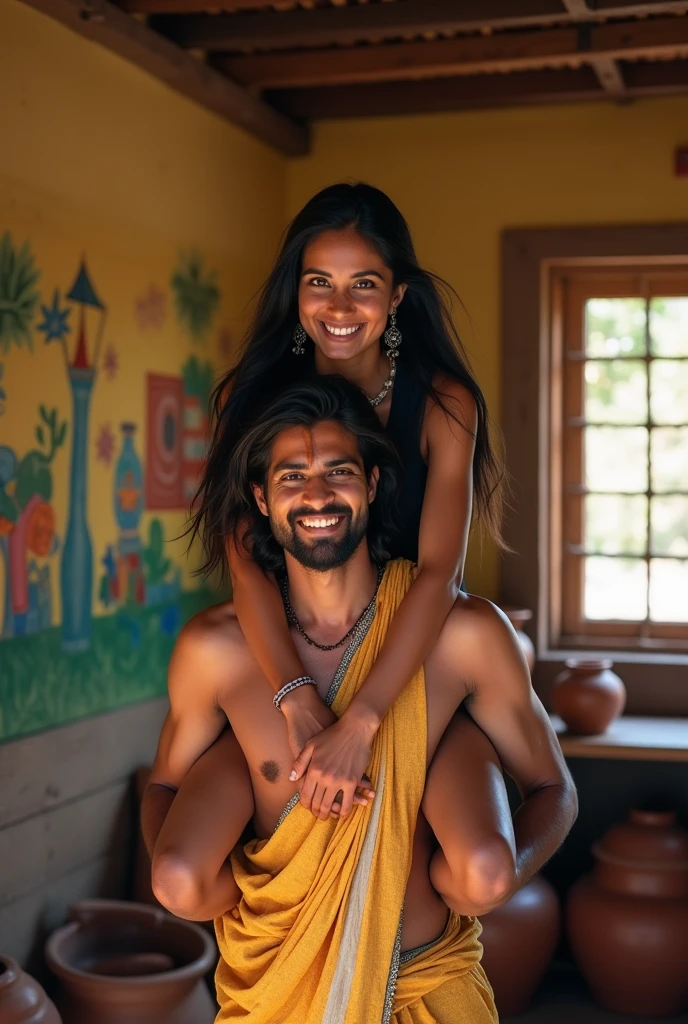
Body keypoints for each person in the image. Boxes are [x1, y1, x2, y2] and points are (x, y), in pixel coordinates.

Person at [143, 378, 578, 1023]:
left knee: (484, 866)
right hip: (278, 988)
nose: (316, 495)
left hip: (425, 988)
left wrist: (495, 881)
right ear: (261, 499)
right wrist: (207, 897)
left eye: (338, 472)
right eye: (292, 477)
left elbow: (556, 790)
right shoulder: (217, 651)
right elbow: (163, 790)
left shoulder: (465, 636)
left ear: (372, 485)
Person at [189, 181, 507, 823]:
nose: (339, 305)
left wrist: (362, 718)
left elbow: (441, 574)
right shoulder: (246, 402)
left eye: (363, 284)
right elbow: (244, 561)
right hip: (288, 647)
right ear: (295, 290)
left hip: (410, 655)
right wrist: (295, 696)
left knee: (472, 858)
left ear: (395, 296)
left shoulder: (444, 406)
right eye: (318, 282)